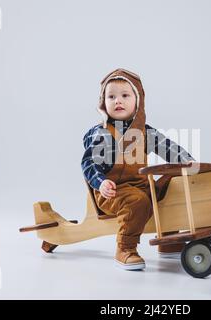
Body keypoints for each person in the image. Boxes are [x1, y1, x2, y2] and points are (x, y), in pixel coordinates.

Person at [81, 68, 195, 270]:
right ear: (102, 102)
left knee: (174, 179)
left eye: (125, 96)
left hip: (141, 187)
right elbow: (89, 163)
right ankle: (125, 248)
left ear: (138, 101)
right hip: (112, 192)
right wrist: (101, 183)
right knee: (137, 200)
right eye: (111, 96)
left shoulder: (144, 131)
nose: (118, 101)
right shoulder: (101, 134)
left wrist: (188, 163)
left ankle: (168, 239)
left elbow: (168, 148)